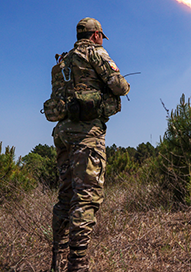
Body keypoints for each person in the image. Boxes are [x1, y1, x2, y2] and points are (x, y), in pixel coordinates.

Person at [49, 17, 130, 272]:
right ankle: (77, 265)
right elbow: (120, 86)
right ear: (96, 35)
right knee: (86, 198)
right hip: (87, 135)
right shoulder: (95, 53)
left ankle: (57, 260)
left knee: (65, 196)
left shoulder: (62, 62)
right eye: (100, 37)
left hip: (62, 134)